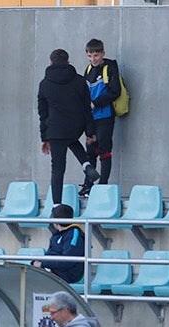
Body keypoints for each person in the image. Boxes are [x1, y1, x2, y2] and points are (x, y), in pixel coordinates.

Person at [37, 49, 100, 206]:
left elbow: (42, 113)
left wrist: (44, 137)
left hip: (55, 129)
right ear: (68, 61)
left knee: (58, 168)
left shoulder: (45, 84)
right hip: (75, 126)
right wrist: (90, 132)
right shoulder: (79, 81)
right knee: (72, 140)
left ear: (51, 62)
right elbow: (87, 108)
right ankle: (86, 164)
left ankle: (57, 205)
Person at [81, 38, 122, 188]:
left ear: (103, 53)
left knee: (104, 151)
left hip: (105, 116)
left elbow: (115, 92)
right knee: (90, 152)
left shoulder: (110, 67)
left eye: (96, 55)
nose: (93, 59)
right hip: (90, 118)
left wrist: (95, 103)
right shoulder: (88, 69)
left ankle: (103, 185)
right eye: (90, 56)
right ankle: (88, 184)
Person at [34, 205, 86, 284]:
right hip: (55, 271)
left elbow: (67, 261)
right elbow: (51, 253)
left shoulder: (74, 233)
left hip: (68, 275)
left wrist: (42, 263)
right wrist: (37, 262)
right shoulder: (57, 234)